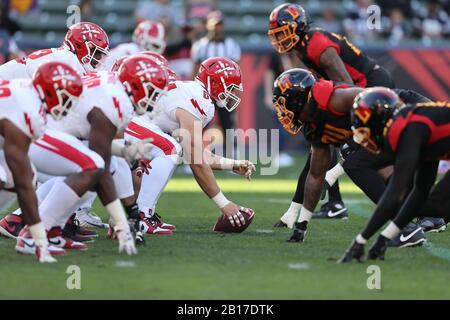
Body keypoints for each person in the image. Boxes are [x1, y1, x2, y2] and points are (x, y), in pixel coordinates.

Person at [4, 55, 168, 256]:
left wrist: (130, 209)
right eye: (152, 91)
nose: (155, 98)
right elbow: (102, 163)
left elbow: (111, 155)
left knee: (91, 169)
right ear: (137, 86)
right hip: (38, 130)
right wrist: (125, 216)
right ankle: (35, 231)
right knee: (92, 169)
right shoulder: (115, 101)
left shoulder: (113, 88)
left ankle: (50, 229)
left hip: (47, 129)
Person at [268, 2, 396, 224]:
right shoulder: (303, 45)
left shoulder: (316, 45)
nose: (279, 39)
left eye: (283, 33)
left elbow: (346, 86)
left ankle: (414, 215)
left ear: (297, 27)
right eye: (276, 35)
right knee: (321, 145)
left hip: (368, 90)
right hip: (358, 92)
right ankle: (332, 204)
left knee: (364, 157)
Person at [271, 68, 430, 246]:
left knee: (356, 163)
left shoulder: (335, 98)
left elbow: (380, 99)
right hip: (387, 127)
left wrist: (356, 142)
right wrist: (302, 225)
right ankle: (425, 217)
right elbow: (315, 174)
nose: (281, 111)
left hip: (404, 109)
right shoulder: (313, 125)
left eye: (283, 104)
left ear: (297, 100)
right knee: (363, 164)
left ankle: (406, 228)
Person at [124, 56, 256, 233]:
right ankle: (141, 216)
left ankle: (139, 214)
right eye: (230, 87)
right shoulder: (199, 99)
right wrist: (224, 204)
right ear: (216, 83)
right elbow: (196, 159)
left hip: (131, 126)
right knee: (170, 150)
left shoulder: (193, 93)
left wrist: (232, 164)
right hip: (126, 123)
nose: (232, 93)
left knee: (168, 151)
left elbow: (196, 153)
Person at [340, 89, 450, 262]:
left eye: (367, 127)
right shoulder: (416, 128)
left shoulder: (410, 130)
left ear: (379, 121)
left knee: (436, 206)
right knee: (427, 201)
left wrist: (361, 240)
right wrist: (384, 238)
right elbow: (420, 191)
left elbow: (393, 196)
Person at [0, 61, 83, 263]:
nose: (68, 103)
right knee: (18, 177)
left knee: (14, 177)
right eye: (65, 96)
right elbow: (23, 183)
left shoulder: (26, 94)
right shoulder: (27, 109)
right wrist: (39, 238)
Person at [191, 11, 241, 158]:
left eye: (220, 25)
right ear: (208, 25)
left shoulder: (231, 46)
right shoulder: (200, 46)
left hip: (225, 91)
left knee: (228, 124)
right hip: (205, 91)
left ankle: (232, 156)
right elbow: (195, 71)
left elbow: (237, 70)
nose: (218, 28)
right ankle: (195, 156)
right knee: (200, 124)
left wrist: (234, 92)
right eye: (215, 25)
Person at [0, 21, 109, 79]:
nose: (99, 58)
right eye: (97, 52)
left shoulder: (63, 56)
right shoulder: (68, 61)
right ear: (80, 46)